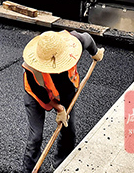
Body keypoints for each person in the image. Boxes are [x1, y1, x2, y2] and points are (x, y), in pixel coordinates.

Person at [21, 30, 104, 173]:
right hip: (36, 95)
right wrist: (59, 108)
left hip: (66, 90)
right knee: (35, 137)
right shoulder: (32, 69)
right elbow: (41, 94)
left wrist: (95, 53)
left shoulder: (74, 42)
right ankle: (28, 170)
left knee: (69, 131)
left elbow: (87, 39)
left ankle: (61, 165)